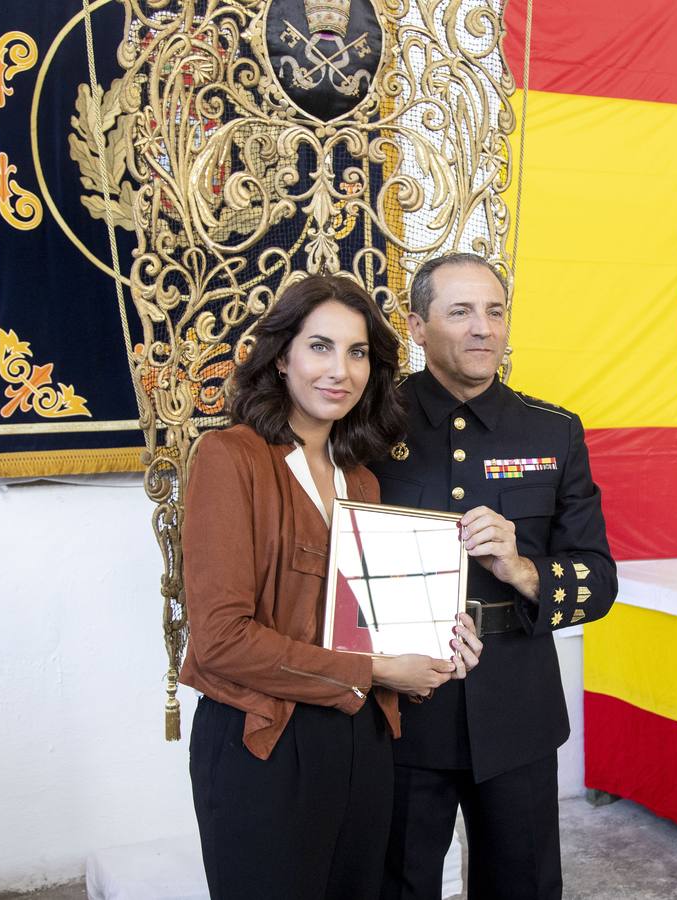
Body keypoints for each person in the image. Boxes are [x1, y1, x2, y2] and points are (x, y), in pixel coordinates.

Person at [180, 275, 483, 900]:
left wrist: (440, 645)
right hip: (262, 738)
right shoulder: (228, 457)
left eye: (357, 352)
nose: (339, 370)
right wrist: (375, 668)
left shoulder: (362, 481)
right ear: (282, 356)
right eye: (320, 346)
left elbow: (373, 625)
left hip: (364, 742)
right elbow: (219, 641)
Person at [374, 253, 617, 900]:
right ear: (416, 326)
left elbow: (599, 581)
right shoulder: (370, 425)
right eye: (460, 311)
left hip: (515, 702)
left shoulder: (553, 431)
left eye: (494, 310)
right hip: (402, 704)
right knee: (395, 883)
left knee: (523, 886)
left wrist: (523, 569)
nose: (483, 327)